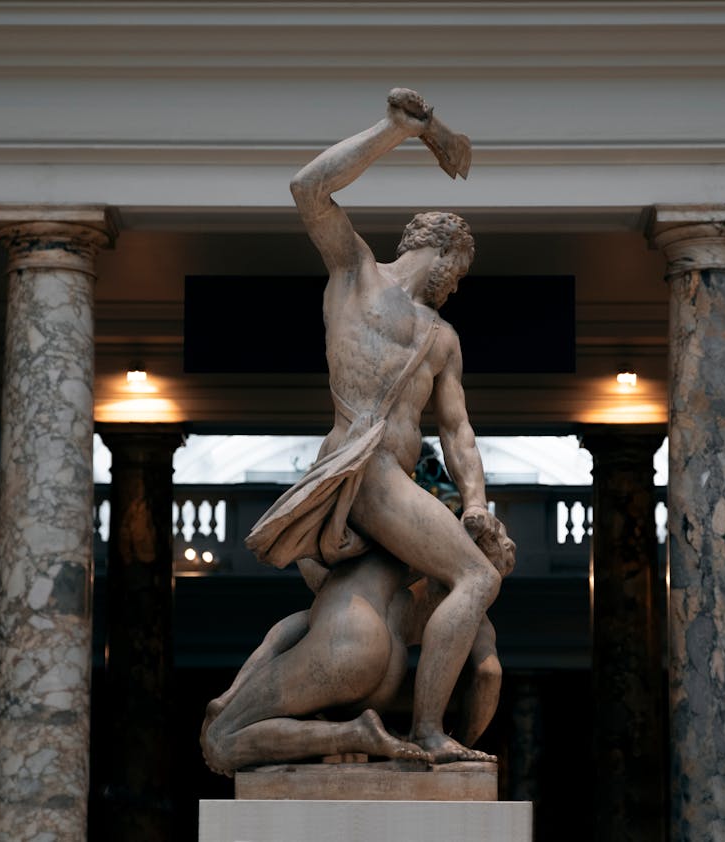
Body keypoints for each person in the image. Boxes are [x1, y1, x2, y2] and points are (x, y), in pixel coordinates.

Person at [242, 88, 499, 762]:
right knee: (476, 579)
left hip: (390, 480)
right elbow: (309, 190)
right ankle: (429, 731)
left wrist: (474, 501)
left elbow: (459, 431)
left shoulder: (440, 338)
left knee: (395, 600)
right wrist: (394, 131)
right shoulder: (357, 276)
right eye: (460, 271)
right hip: (367, 471)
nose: (457, 285)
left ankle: (350, 710)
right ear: (442, 252)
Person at [201, 515, 515, 776]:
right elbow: (489, 674)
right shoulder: (468, 605)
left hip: (350, 638)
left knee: (219, 742)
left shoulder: (403, 542)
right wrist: (458, 743)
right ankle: (352, 736)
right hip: (389, 671)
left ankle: (354, 735)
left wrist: (231, 694)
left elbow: (290, 627)